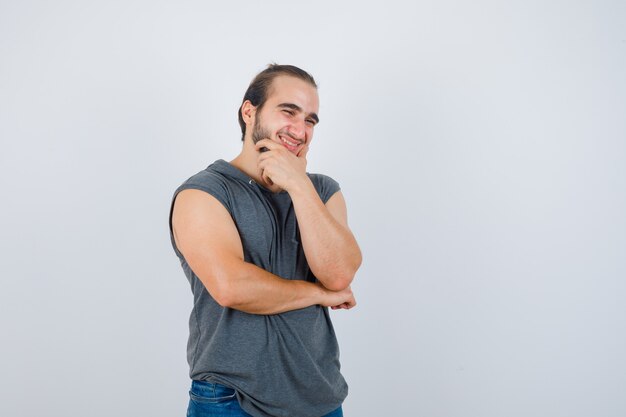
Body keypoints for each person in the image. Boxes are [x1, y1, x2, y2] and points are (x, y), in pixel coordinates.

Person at [168, 64, 362, 417]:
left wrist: (299, 185)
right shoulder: (204, 193)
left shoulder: (322, 190)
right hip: (230, 399)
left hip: (320, 397)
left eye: (311, 120)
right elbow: (232, 287)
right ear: (249, 112)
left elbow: (339, 275)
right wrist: (319, 295)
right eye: (288, 111)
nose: (300, 130)